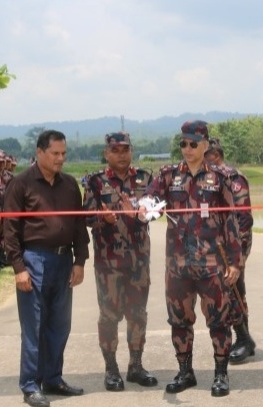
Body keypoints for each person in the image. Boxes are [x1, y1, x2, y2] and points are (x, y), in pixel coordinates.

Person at [139, 120, 242, 397]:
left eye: (193, 143)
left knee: (219, 322)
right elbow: (151, 199)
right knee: (179, 321)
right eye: (183, 143)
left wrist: (235, 262)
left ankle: (221, 375)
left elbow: (231, 221)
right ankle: (185, 372)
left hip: (212, 263)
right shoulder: (168, 174)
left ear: (205, 144)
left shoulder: (221, 177)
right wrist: (145, 208)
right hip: (178, 265)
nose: (187, 148)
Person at [3, 130, 90, 407]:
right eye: (55, 153)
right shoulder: (21, 184)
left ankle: (53, 378)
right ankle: (30, 385)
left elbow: (78, 226)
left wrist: (80, 261)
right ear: (40, 152)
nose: (61, 159)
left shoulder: (69, 184)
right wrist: (19, 267)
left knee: (60, 325)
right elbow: (10, 230)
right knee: (34, 327)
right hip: (34, 260)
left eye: (63, 153)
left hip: (64, 261)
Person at [83, 131, 157, 391]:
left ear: (131, 151)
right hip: (108, 263)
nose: (121, 154)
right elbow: (86, 217)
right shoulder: (95, 181)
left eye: (125, 149)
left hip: (139, 261)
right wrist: (104, 219)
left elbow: (156, 212)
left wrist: (140, 215)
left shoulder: (146, 178)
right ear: (107, 153)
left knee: (138, 314)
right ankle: (111, 369)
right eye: (115, 150)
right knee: (109, 316)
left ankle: (135, 366)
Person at [204, 138, 256, 364]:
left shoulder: (234, 178)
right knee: (221, 293)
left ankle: (244, 339)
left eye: (207, 155)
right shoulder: (205, 177)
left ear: (216, 154)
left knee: (234, 289)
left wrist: (237, 256)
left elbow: (244, 219)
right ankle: (240, 338)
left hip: (233, 245)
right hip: (212, 245)